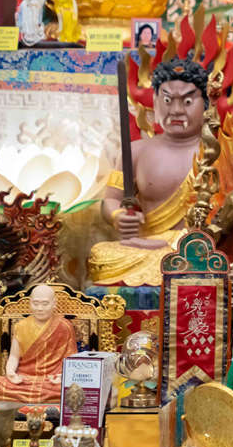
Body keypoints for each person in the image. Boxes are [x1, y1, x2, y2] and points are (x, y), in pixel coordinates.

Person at [87, 58, 208, 286]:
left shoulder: (217, 152)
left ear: (206, 104)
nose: (176, 110)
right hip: (148, 246)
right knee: (100, 255)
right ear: (155, 102)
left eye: (187, 101)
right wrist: (118, 216)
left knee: (207, 259)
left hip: (198, 250)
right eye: (167, 100)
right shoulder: (135, 151)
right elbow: (110, 200)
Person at [0, 284, 77, 403]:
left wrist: (62, 376)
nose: (40, 308)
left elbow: (71, 360)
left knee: (73, 388)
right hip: (25, 379)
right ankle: (46, 400)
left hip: (52, 381)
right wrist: (11, 373)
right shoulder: (21, 326)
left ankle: (26, 401)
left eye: (45, 304)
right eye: (36, 303)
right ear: (30, 303)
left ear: (54, 304)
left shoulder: (64, 326)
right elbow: (14, 356)